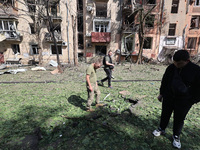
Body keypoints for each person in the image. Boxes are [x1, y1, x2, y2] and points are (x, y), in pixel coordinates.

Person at [152, 50, 200, 149]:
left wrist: (193, 100)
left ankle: (176, 136)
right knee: (165, 113)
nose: (177, 65)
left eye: (179, 63)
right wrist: (161, 93)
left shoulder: (196, 70)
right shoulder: (171, 68)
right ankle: (161, 128)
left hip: (184, 100)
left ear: (187, 60)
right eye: (175, 62)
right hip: (169, 97)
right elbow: (165, 80)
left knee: (179, 118)